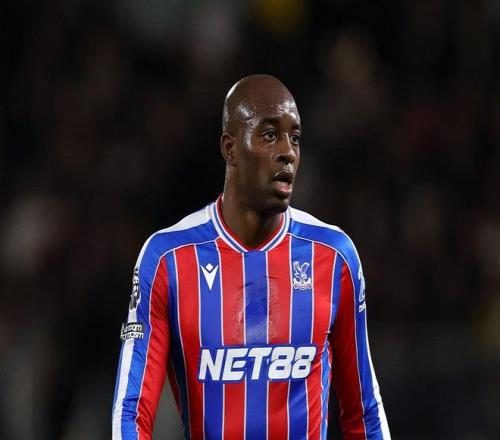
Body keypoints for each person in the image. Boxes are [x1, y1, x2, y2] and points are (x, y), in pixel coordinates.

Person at [112, 74, 390, 440]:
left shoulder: (334, 256)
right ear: (230, 148)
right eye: (270, 134)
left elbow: (364, 412)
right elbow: (131, 411)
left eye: (295, 137)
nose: (288, 152)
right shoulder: (168, 259)